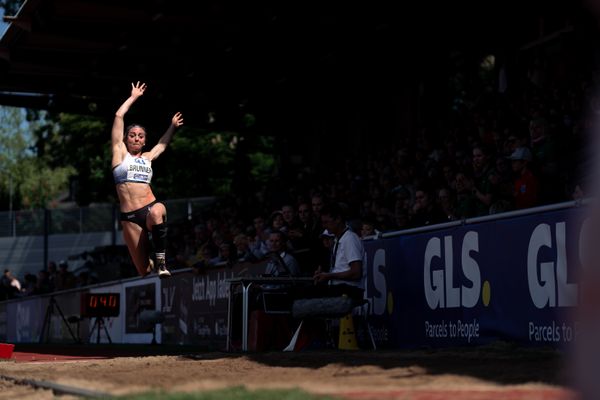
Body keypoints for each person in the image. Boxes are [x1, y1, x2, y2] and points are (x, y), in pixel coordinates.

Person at [111, 81, 184, 278]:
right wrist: (133, 97)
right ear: (126, 139)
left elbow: (162, 145)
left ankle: (161, 262)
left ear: (144, 141)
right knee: (143, 271)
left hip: (149, 207)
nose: (136, 138)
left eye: (140, 136)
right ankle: (151, 263)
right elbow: (119, 116)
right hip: (130, 218)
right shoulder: (119, 154)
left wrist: (172, 126)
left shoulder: (147, 158)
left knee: (158, 210)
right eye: (132, 135)